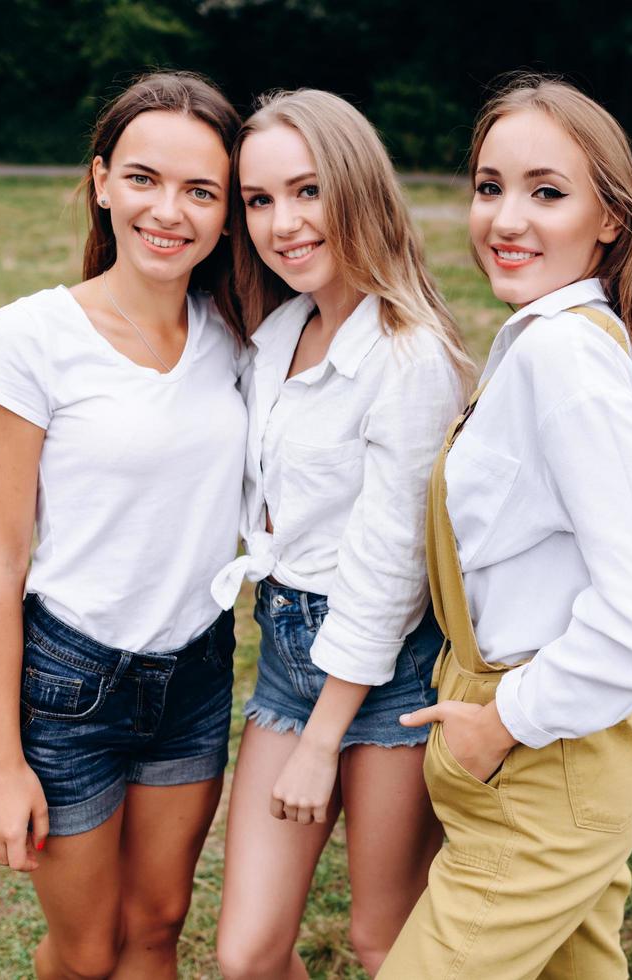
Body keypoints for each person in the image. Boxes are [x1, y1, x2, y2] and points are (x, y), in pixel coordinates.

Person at [378, 75, 632, 979]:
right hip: (540, 755)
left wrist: (501, 721)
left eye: (545, 192)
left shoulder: (563, 357)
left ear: (609, 220)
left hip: (542, 758)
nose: (506, 219)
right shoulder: (538, 341)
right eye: (489, 187)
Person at [0, 72, 245, 979]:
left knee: (158, 925)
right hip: (71, 683)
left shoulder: (237, 337)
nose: (170, 211)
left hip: (197, 670)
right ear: (100, 182)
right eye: (143, 179)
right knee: (86, 955)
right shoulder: (31, 337)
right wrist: (0, 763)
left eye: (200, 190)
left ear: (227, 209)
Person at [209, 89, 471, 978]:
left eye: (306, 191)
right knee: (246, 955)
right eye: (258, 200)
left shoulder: (408, 356)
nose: (282, 223)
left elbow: (391, 571)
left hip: (386, 669)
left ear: (357, 189)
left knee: (381, 940)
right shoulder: (279, 332)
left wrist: (323, 742)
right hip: (288, 649)